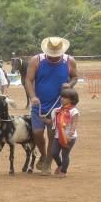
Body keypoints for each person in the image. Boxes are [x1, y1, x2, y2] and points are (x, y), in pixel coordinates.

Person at [26, 37, 78, 175]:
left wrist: (70, 84)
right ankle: (43, 154)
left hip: (58, 105)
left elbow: (75, 77)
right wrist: (33, 96)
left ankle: (48, 162)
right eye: (51, 55)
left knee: (51, 134)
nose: (54, 58)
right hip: (39, 104)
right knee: (37, 133)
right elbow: (29, 80)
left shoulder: (69, 61)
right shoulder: (36, 61)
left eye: (56, 56)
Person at [46, 88, 79, 179]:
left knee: (65, 154)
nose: (62, 99)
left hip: (68, 137)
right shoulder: (57, 110)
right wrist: (45, 120)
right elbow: (53, 122)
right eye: (62, 97)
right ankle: (60, 165)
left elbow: (74, 124)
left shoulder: (74, 111)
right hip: (57, 135)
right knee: (54, 153)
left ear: (72, 100)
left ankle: (64, 171)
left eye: (65, 98)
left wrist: (70, 135)